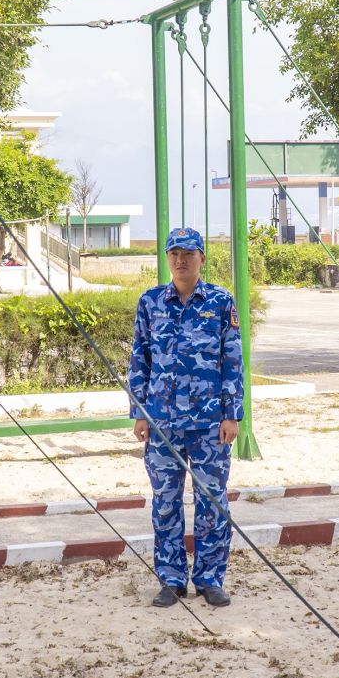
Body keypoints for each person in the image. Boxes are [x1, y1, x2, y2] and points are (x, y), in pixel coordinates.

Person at [127, 227, 244, 609]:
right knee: (165, 503)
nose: (180, 260)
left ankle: (210, 579)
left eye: (188, 254)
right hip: (162, 423)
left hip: (210, 424)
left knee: (212, 503)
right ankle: (171, 579)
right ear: (167, 258)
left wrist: (232, 415)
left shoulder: (220, 302)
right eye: (174, 253)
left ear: (202, 259)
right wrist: (139, 413)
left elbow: (232, 361)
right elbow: (140, 358)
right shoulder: (150, 302)